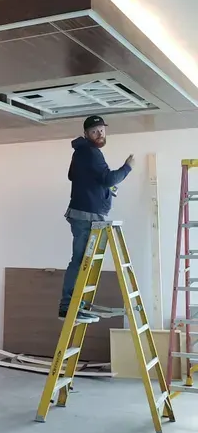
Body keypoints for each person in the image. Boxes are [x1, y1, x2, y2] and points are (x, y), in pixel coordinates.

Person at [58, 115, 134, 323]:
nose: (100, 133)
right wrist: (127, 167)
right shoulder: (91, 153)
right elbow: (109, 178)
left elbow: (74, 176)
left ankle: (75, 305)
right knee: (80, 261)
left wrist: (100, 190)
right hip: (86, 216)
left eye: (101, 129)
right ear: (86, 134)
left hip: (85, 213)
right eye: (94, 131)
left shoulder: (82, 152)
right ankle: (68, 307)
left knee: (83, 261)